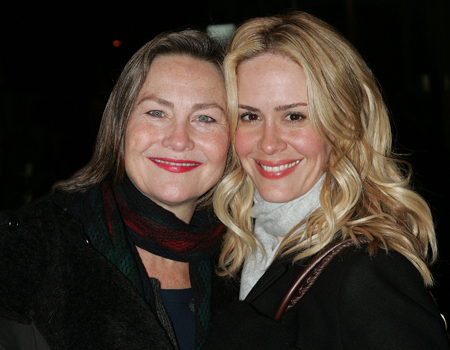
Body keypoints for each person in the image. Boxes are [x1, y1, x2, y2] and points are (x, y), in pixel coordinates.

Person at [203, 11, 450, 350]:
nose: (269, 142)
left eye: (294, 116)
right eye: (249, 116)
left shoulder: (369, 272)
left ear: (342, 125)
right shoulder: (240, 247)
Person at [0, 29, 235, 350]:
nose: (179, 139)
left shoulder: (248, 270)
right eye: (156, 112)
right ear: (120, 123)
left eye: (205, 118)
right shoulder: (30, 256)